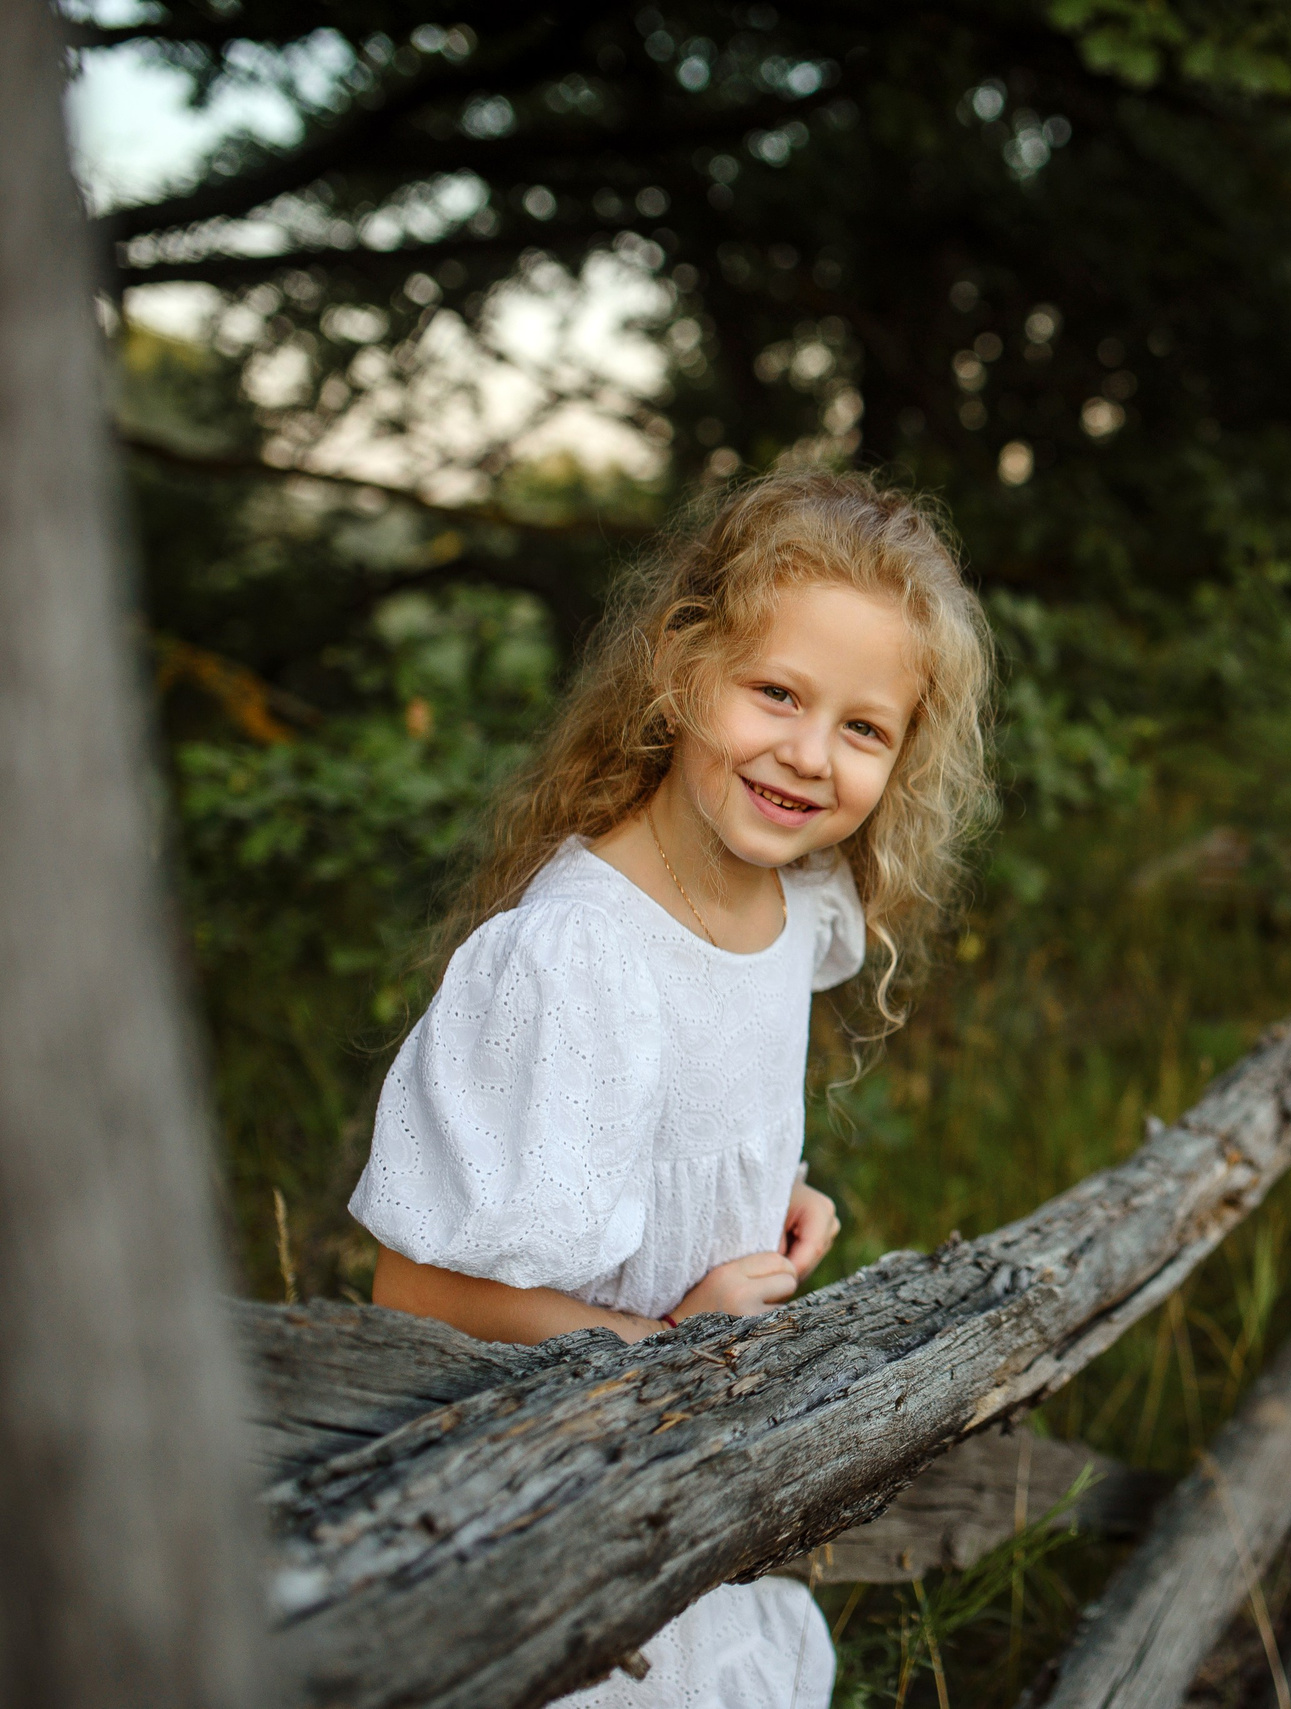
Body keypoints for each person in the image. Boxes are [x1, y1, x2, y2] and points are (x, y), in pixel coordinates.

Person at [348, 469, 995, 1706]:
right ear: (683, 666)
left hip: (696, 1497)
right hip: (566, 1509)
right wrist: (673, 1342)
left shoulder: (800, 907)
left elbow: (677, 1136)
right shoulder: (574, 958)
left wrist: (767, 1192)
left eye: (864, 727)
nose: (809, 754)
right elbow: (417, 1288)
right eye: (777, 693)